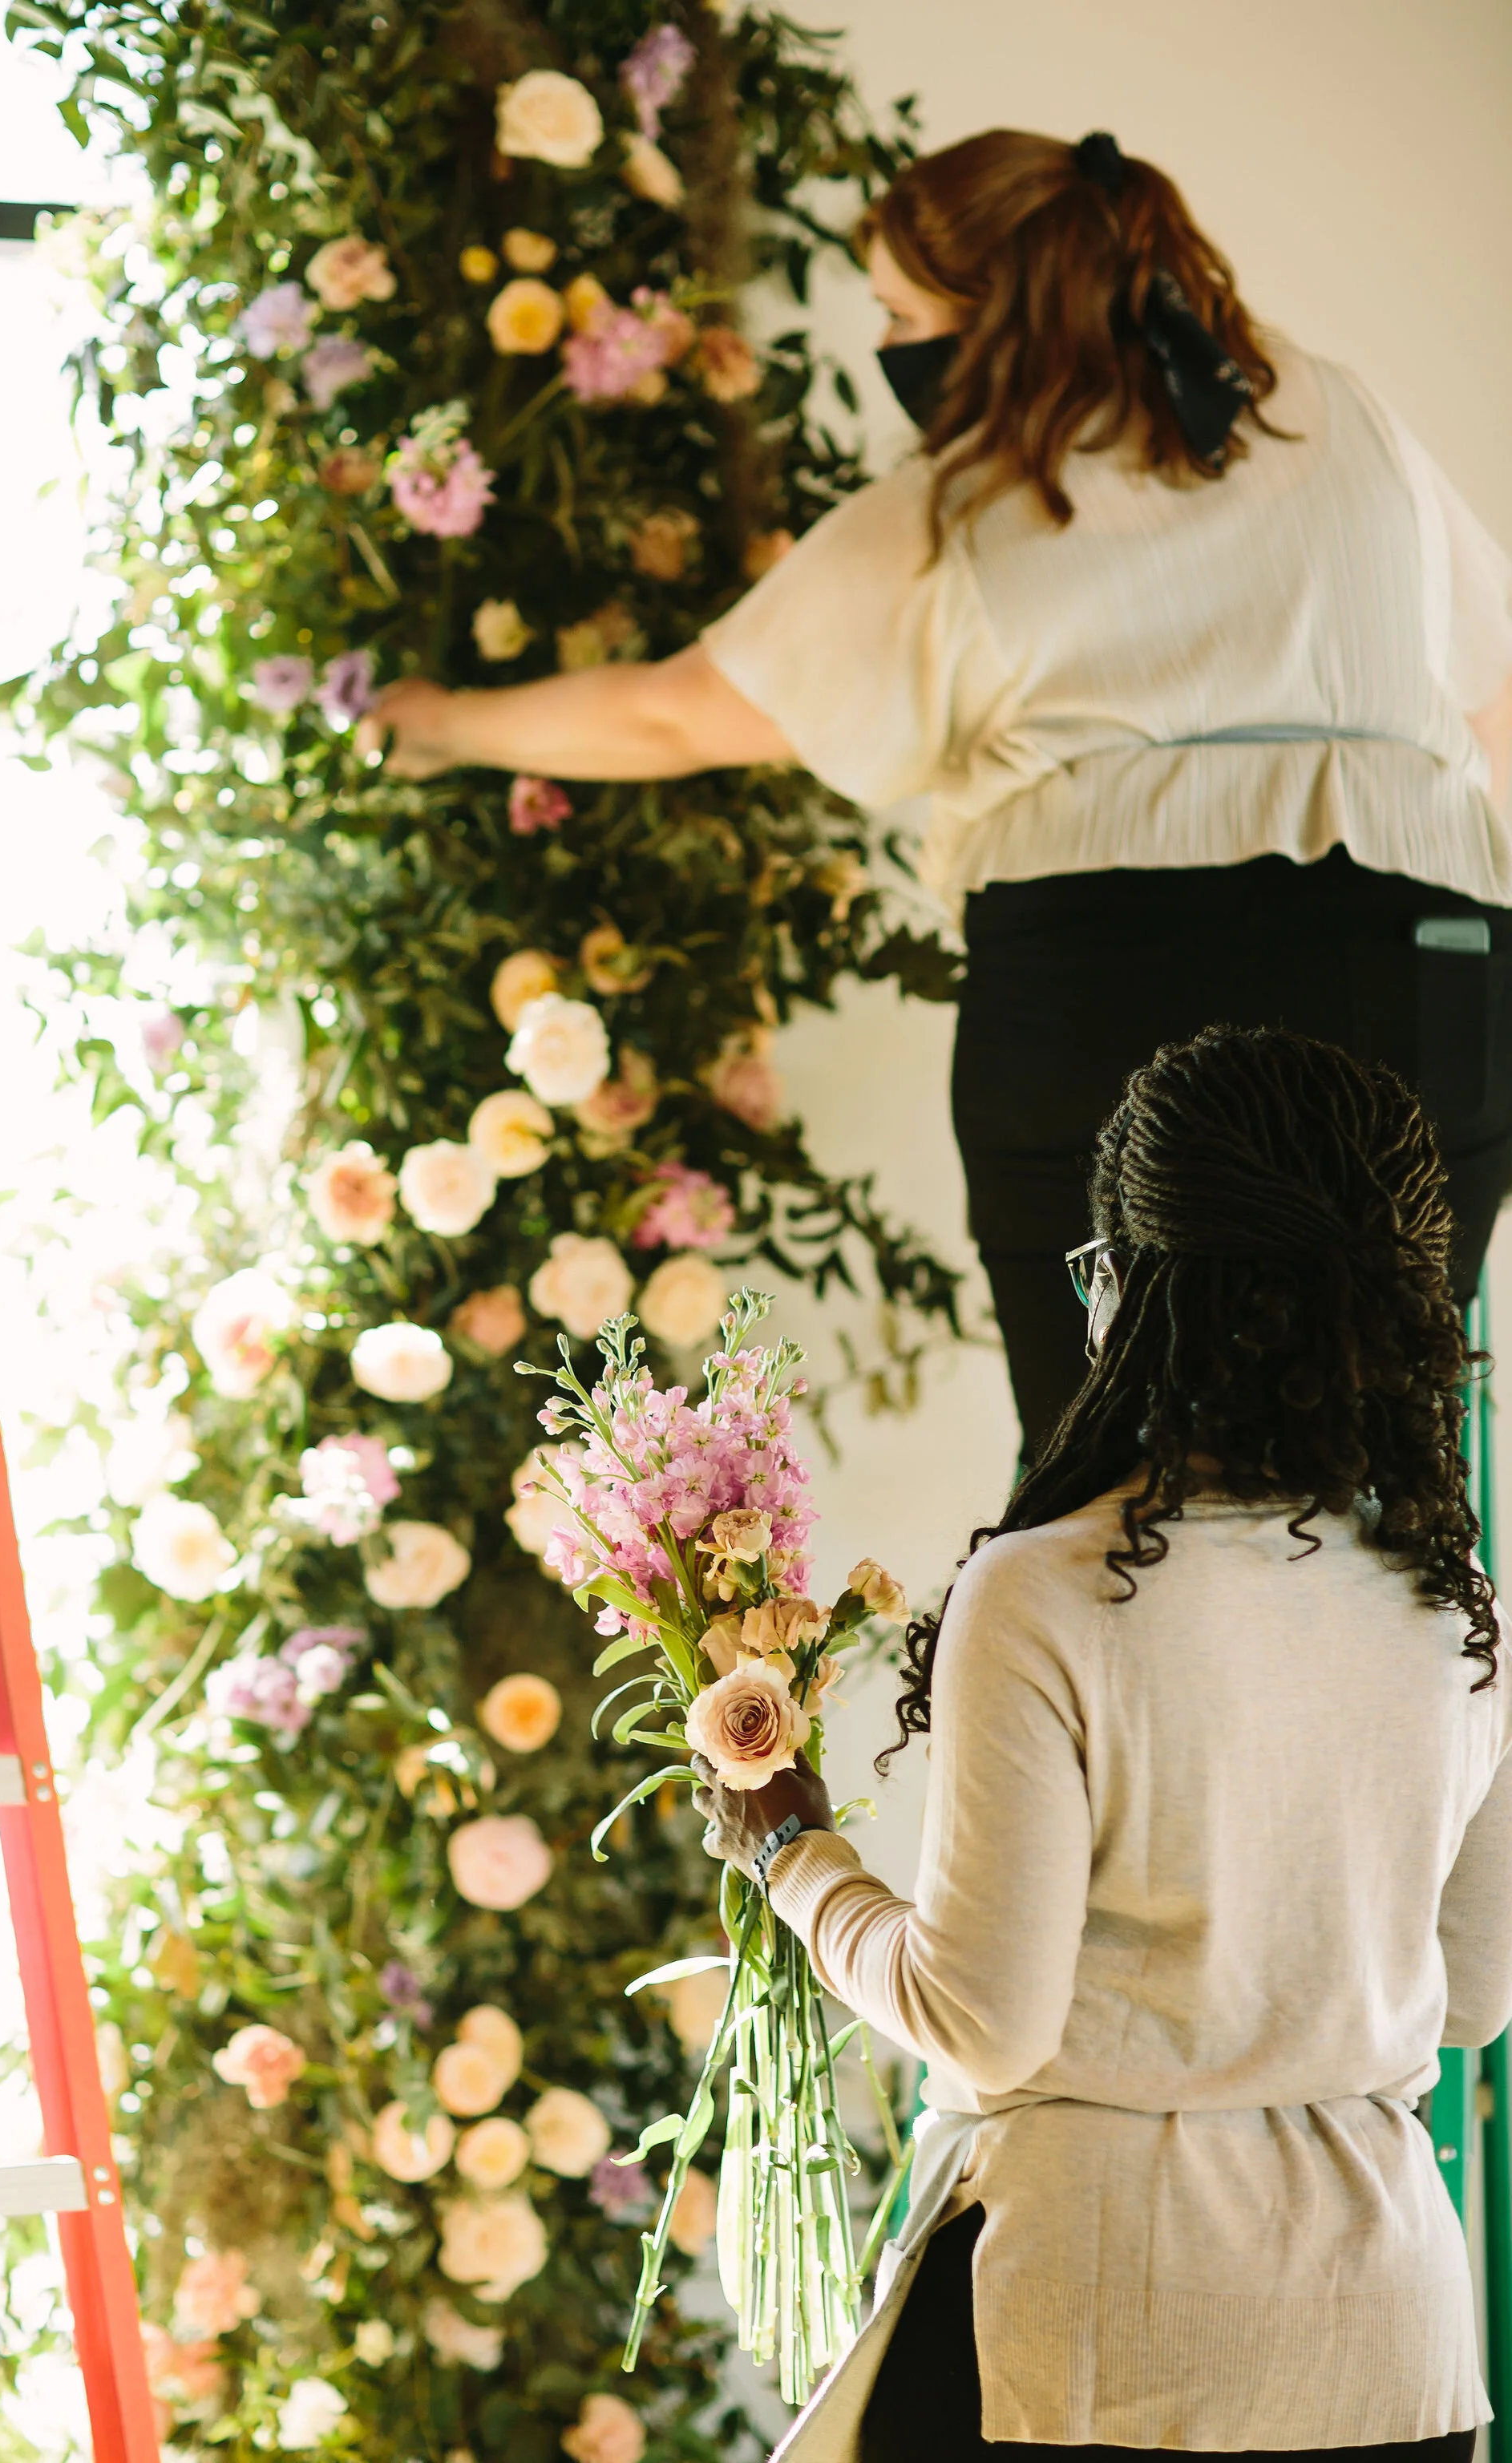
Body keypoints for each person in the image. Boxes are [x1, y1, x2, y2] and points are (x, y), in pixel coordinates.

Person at [359, 128, 1512, 1461]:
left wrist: (437, 723)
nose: (891, 347)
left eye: (904, 317)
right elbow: (1492, 703)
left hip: (1113, 978)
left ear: (996, 312)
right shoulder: (1335, 411)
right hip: (1429, 966)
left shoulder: (970, 505)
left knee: (1114, 1483)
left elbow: (676, 713)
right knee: (1390, 1473)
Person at [696, 1024, 1512, 2463]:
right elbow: (1474, 2000)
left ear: (1139, 1296)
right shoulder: (1456, 1605)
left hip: (1101, 2347)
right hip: (1394, 2354)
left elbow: (981, 2018)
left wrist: (792, 1855)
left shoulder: (1052, 1591)